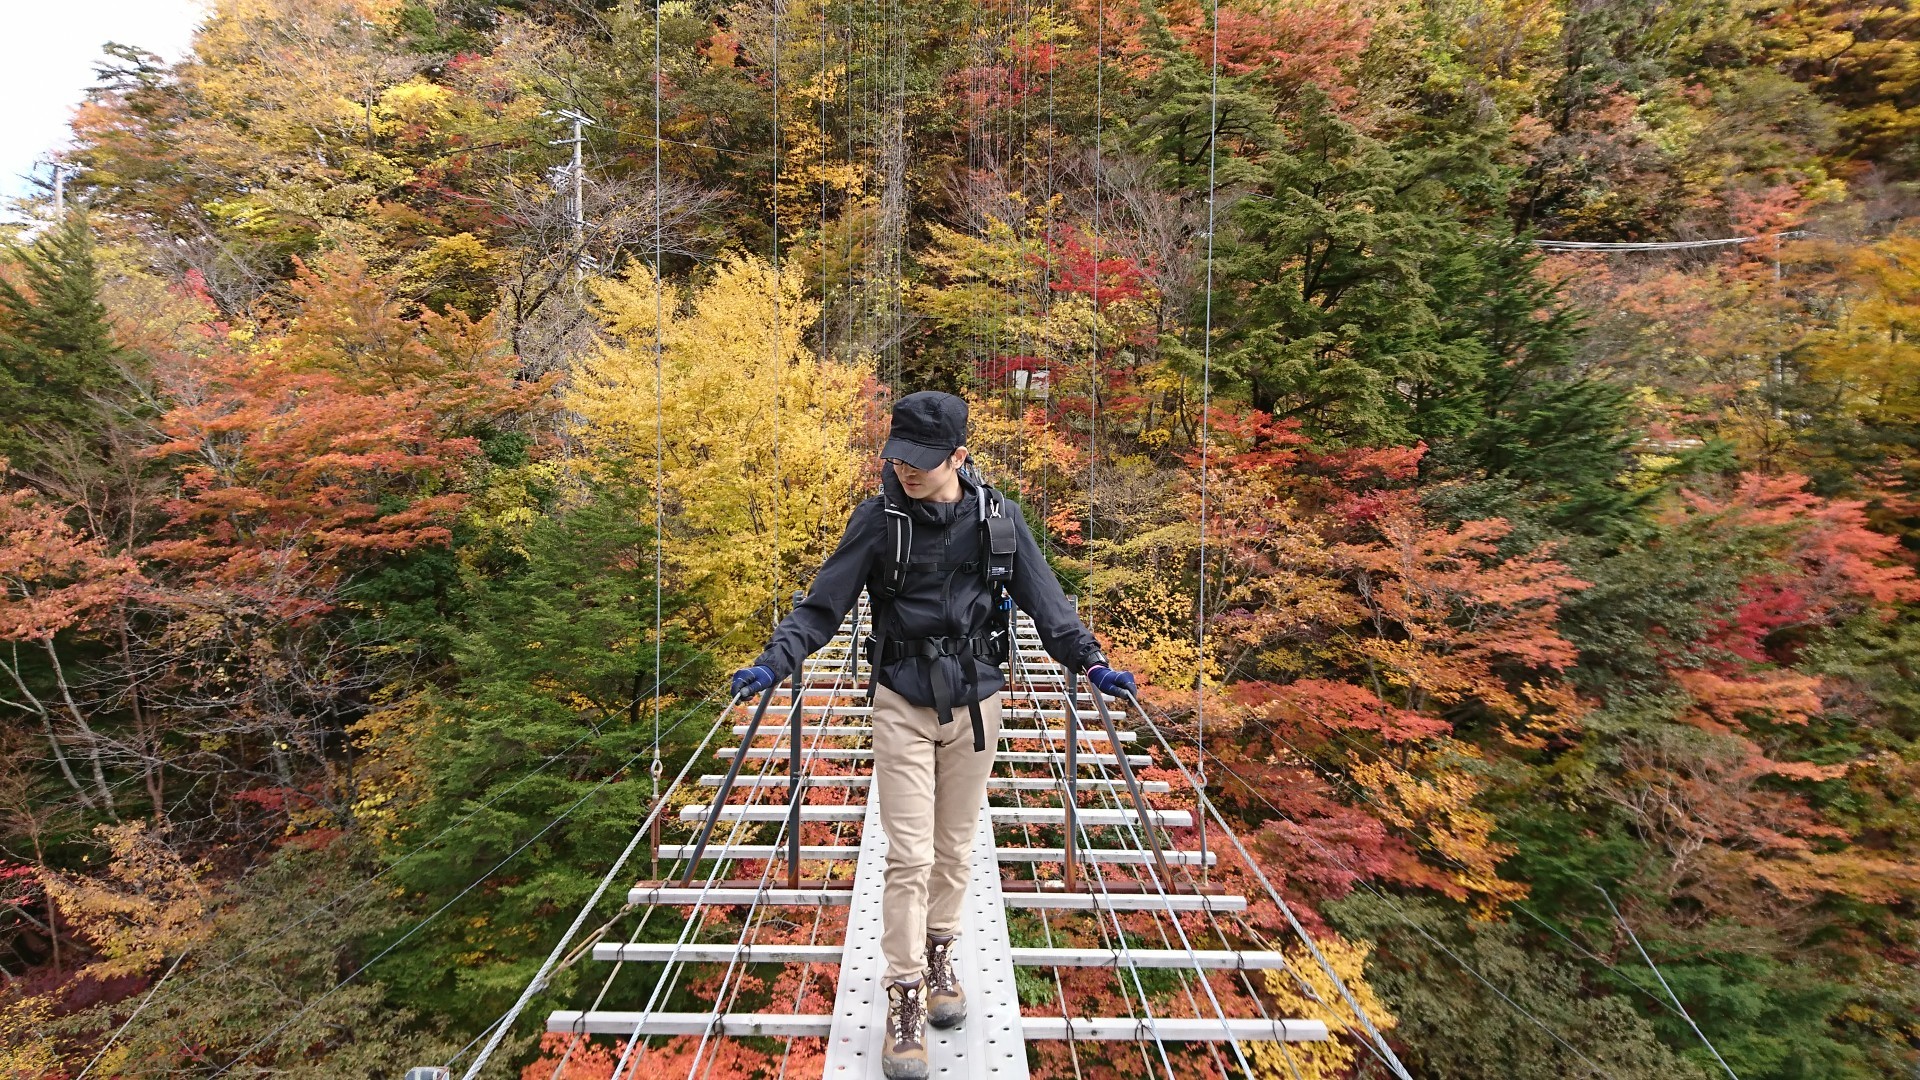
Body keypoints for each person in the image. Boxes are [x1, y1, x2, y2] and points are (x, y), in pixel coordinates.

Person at [729, 391, 1136, 1079]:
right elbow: (823, 605)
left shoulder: (998, 519)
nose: (907, 471)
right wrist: (775, 661)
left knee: (953, 849)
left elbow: (1047, 602)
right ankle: (907, 994)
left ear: (958, 456)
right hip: (901, 700)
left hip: (978, 701)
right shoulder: (879, 520)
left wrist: (1090, 661)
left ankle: (943, 951)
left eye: (921, 461)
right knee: (909, 856)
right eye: (898, 458)